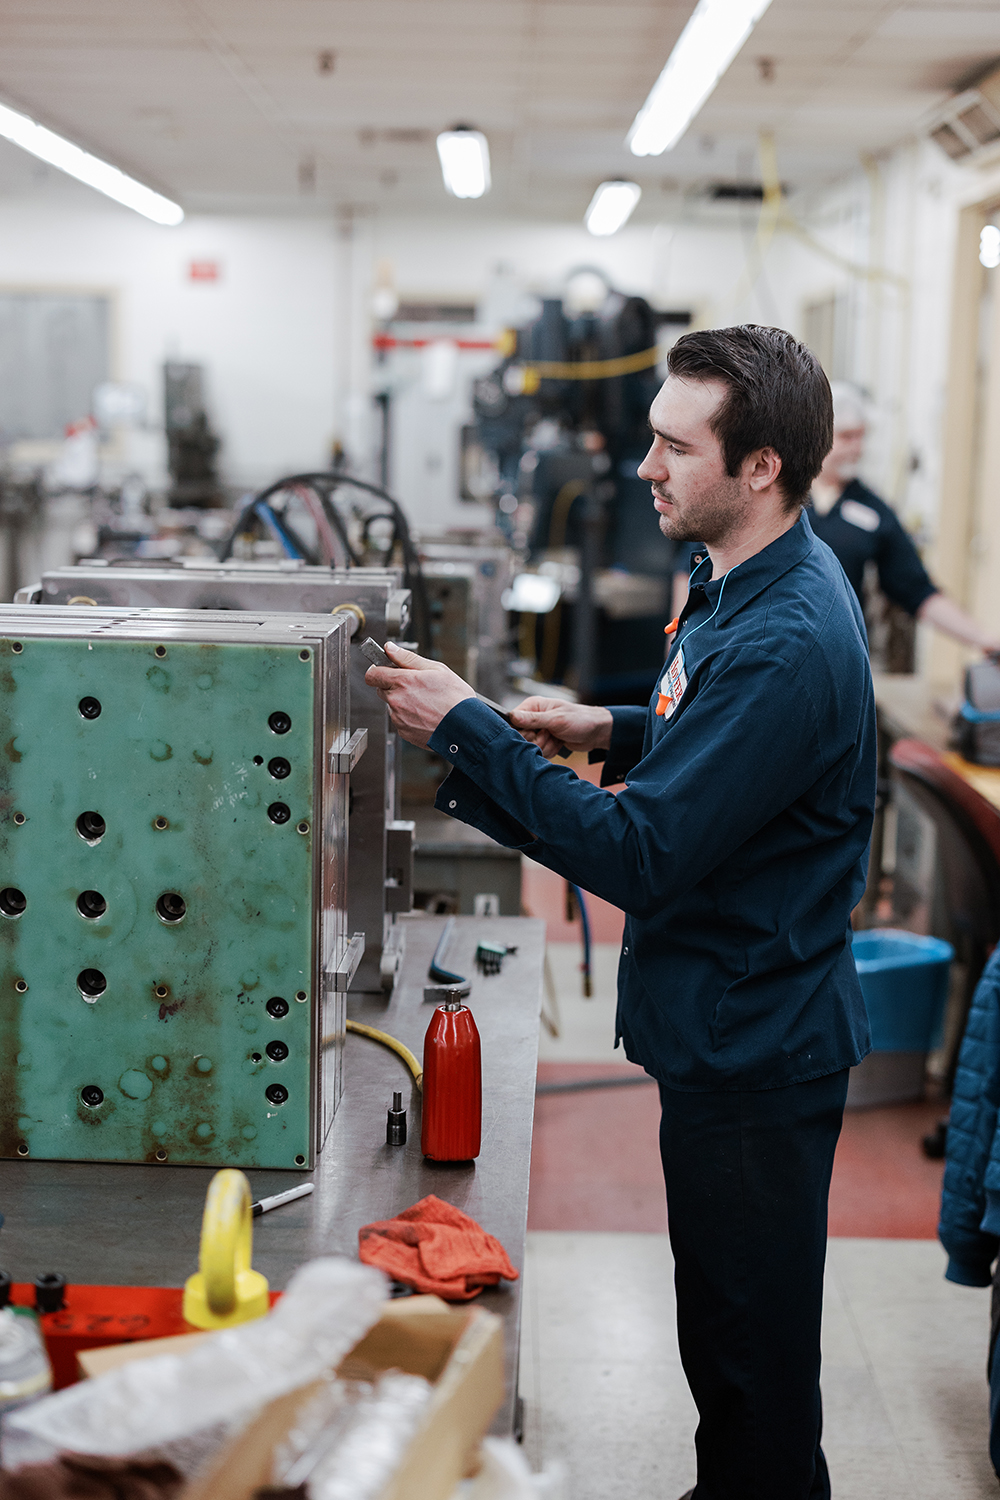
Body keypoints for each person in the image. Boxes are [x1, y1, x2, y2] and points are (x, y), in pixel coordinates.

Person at [367, 325, 876, 1500]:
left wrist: (467, 729)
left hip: (755, 1047)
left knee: (752, 1383)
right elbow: (735, 750)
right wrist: (616, 727)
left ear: (759, 468)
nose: (643, 466)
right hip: (733, 1025)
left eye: (671, 445)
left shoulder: (785, 635)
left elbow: (646, 854)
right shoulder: (751, 577)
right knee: (730, 1350)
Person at [673, 379, 1000, 655]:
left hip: (831, 652)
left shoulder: (873, 512)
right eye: (846, 437)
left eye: (862, 437)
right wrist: (680, 647)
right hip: (748, 645)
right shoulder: (771, 490)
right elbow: (695, 565)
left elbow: (917, 591)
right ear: (819, 435)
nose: (857, 448)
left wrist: (985, 640)